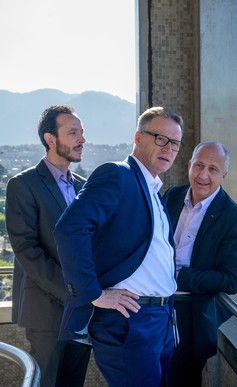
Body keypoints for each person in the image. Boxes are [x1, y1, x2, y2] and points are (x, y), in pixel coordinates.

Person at [53, 106, 184, 386]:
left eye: (175, 143)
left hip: (160, 319)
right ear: (138, 138)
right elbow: (69, 229)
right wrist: (93, 293)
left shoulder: (153, 191)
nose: (168, 148)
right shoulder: (117, 175)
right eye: (160, 139)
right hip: (129, 321)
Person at [5, 105, 91, 387]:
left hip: (83, 310)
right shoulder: (23, 184)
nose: (82, 139)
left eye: (82, 132)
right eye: (73, 133)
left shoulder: (83, 187)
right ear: (50, 139)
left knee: (73, 382)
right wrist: (74, 292)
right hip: (46, 310)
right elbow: (27, 251)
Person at [163, 140, 237, 386]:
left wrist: (180, 277)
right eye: (199, 165)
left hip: (190, 315)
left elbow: (232, 280)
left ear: (224, 175)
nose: (203, 175)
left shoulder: (235, 219)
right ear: (189, 165)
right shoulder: (172, 196)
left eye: (213, 169)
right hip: (153, 306)